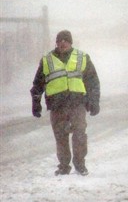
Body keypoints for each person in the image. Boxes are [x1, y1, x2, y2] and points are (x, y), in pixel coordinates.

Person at [30, 30, 101, 176]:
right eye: (60, 40)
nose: (63, 43)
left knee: (79, 134)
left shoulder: (82, 58)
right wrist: (36, 102)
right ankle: (63, 166)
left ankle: (80, 165)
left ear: (70, 42)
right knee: (60, 136)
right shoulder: (47, 60)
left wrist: (94, 101)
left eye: (66, 40)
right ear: (56, 43)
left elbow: (93, 81)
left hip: (77, 104)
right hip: (57, 106)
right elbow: (38, 84)